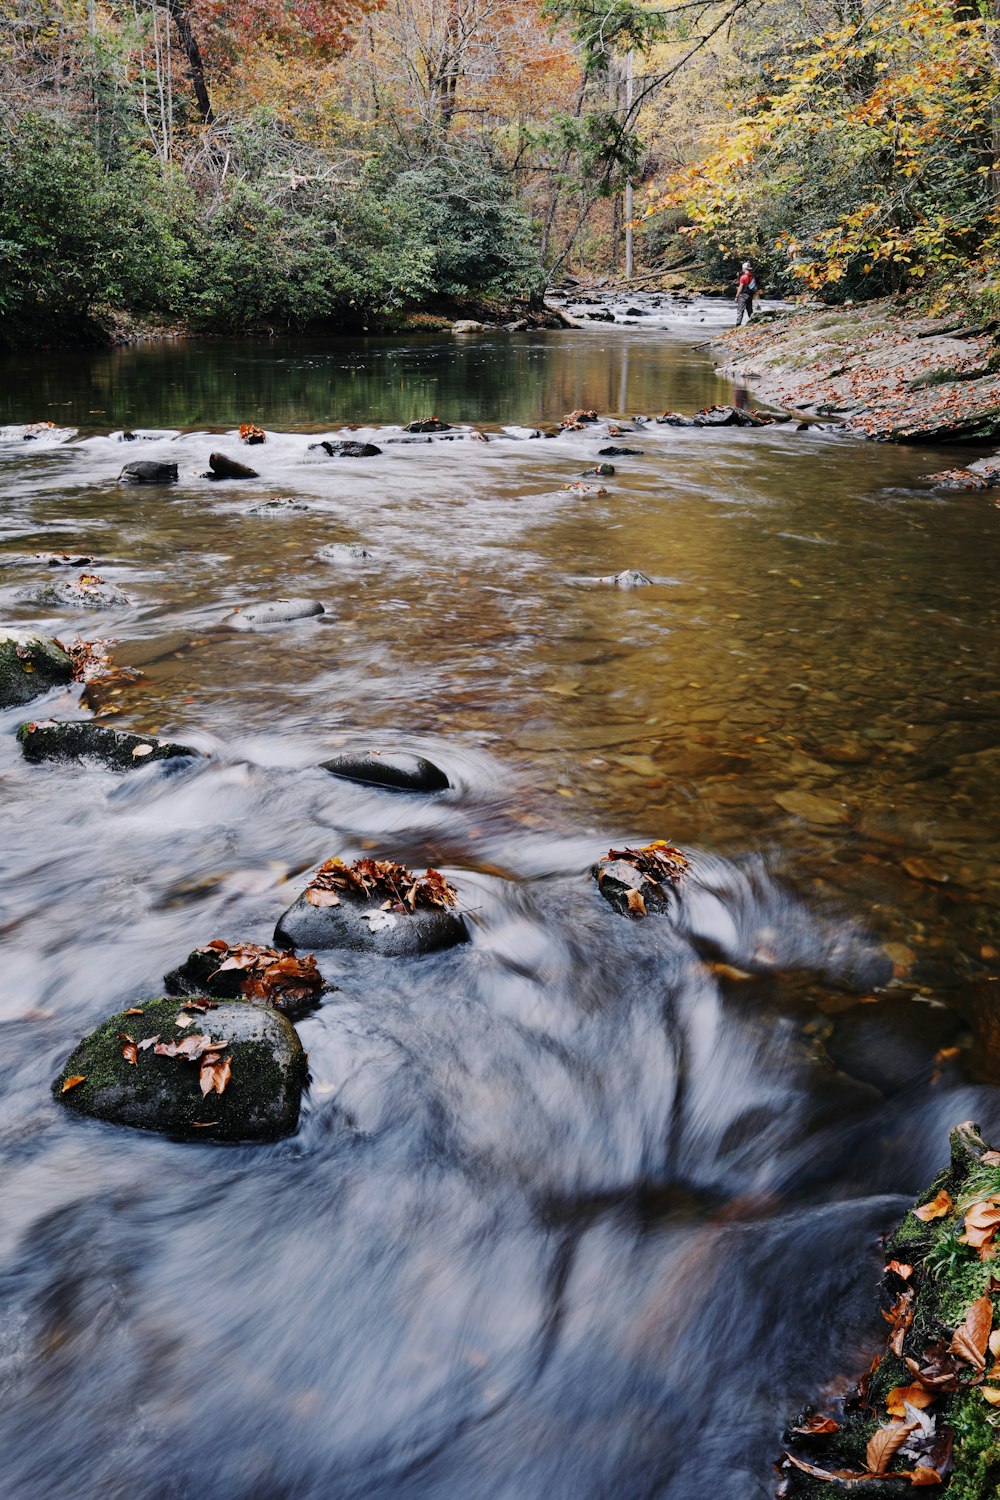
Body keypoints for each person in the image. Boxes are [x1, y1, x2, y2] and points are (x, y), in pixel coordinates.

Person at [734, 260, 757, 325]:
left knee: (740, 311)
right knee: (750, 310)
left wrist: (736, 297)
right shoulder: (752, 277)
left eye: (742, 268)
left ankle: (738, 324)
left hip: (743, 296)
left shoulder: (743, 277)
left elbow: (740, 288)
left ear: (744, 268)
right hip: (750, 295)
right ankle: (753, 323)